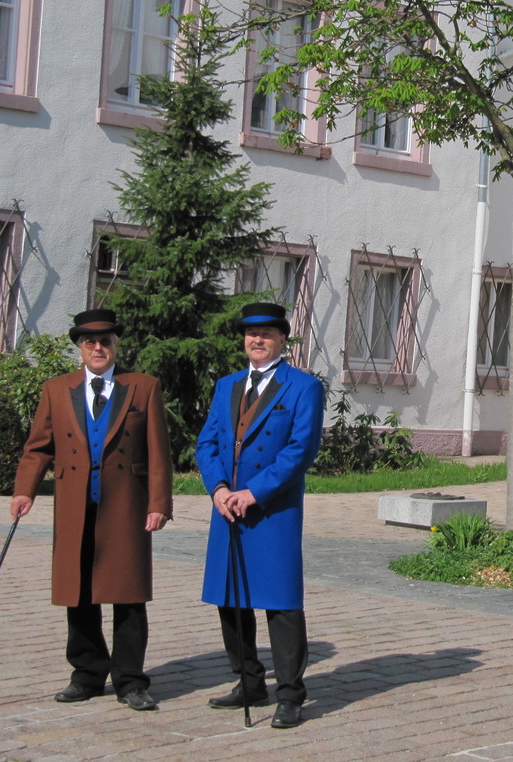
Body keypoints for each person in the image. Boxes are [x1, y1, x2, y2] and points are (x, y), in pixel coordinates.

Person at [11, 308, 173, 711]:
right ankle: (86, 674)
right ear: (80, 348)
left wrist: (158, 503)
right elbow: (38, 447)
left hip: (126, 504)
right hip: (75, 504)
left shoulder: (143, 387)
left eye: (105, 341)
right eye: (90, 342)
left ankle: (130, 681)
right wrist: (24, 491)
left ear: (116, 345)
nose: (98, 348)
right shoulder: (56, 389)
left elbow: (159, 451)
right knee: (78, 591)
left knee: (128, 594)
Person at [197, 302, 325, 730]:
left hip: (273, 508)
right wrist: (218, 489)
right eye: (251, 334)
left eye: (267, 334)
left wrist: (255, 492)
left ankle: (290, 694)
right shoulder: (227, 386)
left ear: (282, 339)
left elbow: (300, 450)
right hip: (228, 506)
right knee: (229, 597)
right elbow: (207, 443)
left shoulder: (303, 387)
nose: (257, 340)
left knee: (280, 601)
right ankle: (249, 681)